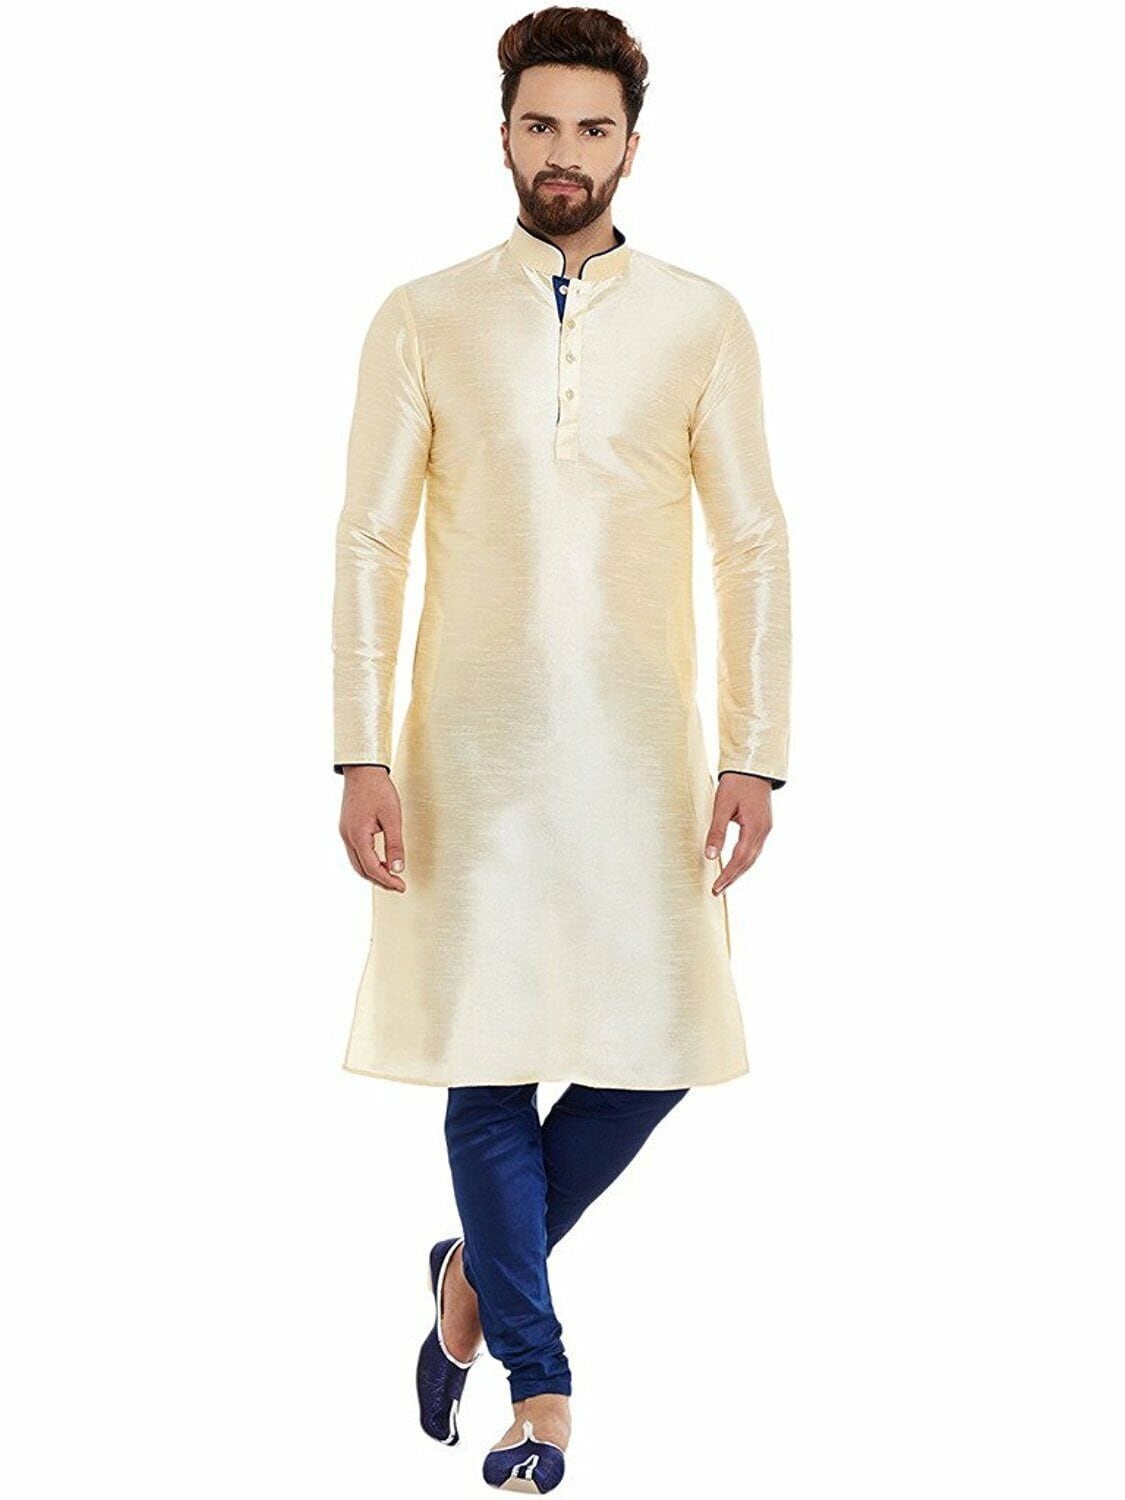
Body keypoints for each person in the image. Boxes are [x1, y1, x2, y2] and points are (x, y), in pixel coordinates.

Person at [332, 7, 791, 1491]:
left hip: (643, 753)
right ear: (504, 136)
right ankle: (541, 1392)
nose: (565, 153)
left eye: (593, 128)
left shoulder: (701, 319)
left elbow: (752, 540)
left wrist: (755, 752)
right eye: (541, 125)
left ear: (632, 147)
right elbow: (369, 539)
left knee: (658, 1049)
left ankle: (466, 1282)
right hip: (465, 753)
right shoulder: (423, 314)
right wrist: (357, 750)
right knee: (487, 1056)